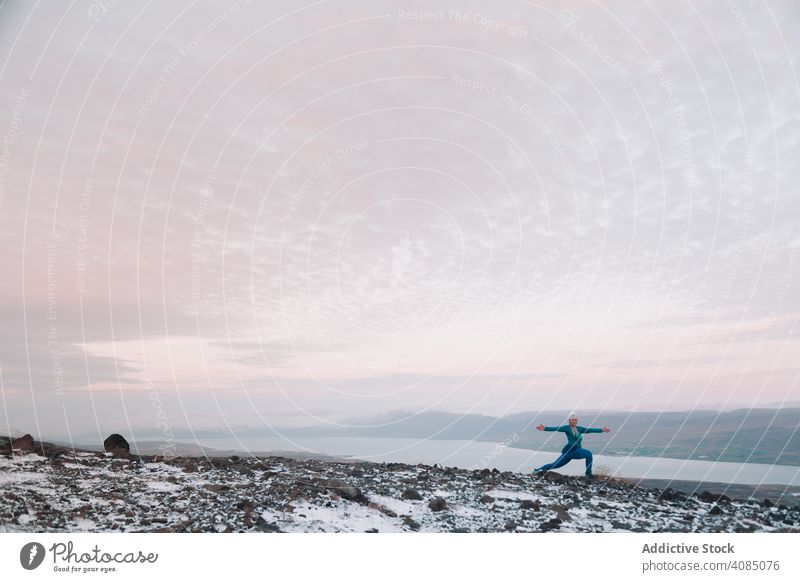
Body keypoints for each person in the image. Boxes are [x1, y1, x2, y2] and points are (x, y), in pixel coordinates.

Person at [533, 412, 610, 478]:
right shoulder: (566, 428)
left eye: (575, 420)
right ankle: (538, 470)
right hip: (570, 450)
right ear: (569, 421)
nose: (574, 421)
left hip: (576, 450)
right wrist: (545, 428)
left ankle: (588, 474)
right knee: (555, 465)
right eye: (572, 420)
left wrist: (602, 430)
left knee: (589, 455)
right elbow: (557, 428)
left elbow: (589, 430)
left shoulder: (579, 429)